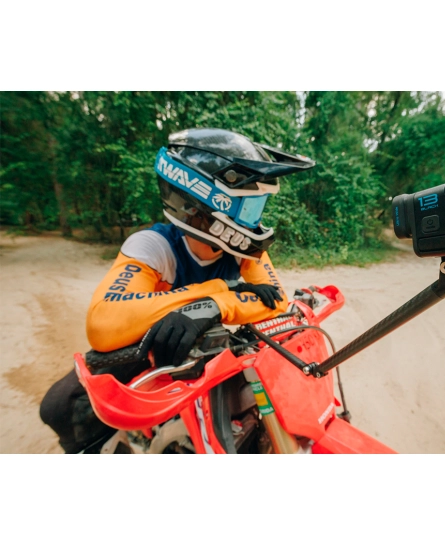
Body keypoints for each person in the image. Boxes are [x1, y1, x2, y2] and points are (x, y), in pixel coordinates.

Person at [39, 127, 315, 453]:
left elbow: (275, 300)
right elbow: (103, 322)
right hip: (155, 350)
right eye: (249, 208)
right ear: (204, 206)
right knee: (60, 407)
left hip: (211, 353)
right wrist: (212, 294)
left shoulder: (241, 251)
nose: (255, 221)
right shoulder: (153, 246)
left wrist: (215, 305)